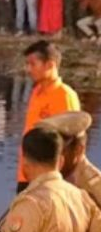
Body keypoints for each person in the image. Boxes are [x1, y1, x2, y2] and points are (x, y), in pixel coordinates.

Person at [19, 40, 79, 190]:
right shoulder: (36, 92)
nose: (28, 69)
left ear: (50, 65)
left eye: (33, 64)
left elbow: (71, 145)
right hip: (26, 174)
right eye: (27, 64)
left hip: (47, 181)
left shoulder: (64, 96)